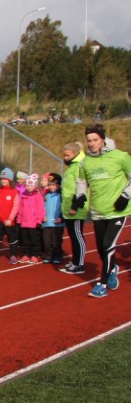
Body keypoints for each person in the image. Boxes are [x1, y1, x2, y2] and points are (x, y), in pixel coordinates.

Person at [71, 123, 131, 298]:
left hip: (117, 211)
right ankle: (112, 268)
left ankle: (102, 284)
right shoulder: (85, 162)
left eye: (95, 140)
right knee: (101, 250)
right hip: (98, 212)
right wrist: (80, 195)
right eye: (89, 140)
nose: (92, 143)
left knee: (108, 245)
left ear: (103, 139)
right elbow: (82, 182)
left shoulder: (120, 156)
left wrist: (125, 196)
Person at [59, 141, 88, 274]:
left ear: (75, 154)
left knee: (77, 235)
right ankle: (76, 261)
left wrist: (75, 206)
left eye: (68, 155)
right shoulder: (71, 167)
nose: (65, 158)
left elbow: (81, 187)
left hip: (76, 208)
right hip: (68, 207)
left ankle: (79, 264)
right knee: (73, 235)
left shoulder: (79, 166)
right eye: (64, 155)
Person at [0, 168, 21, 264]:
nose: (3, 181)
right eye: (2, 179)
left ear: (10, 180)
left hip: (9, 222)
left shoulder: (14, 192)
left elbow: (16, 206)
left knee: (12, 239)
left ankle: (13, 255)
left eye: (5, 179)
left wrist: (10, 219)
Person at [16, 173, 45, 262]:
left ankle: (34, 254)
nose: (29, 187)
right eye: (28, 185)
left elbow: (40, 209)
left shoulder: (38, 196)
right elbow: (21, 209)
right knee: (25, 240)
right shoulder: (24, 196)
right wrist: (19, 220)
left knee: (34, 240)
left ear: (35, 185)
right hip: (24, 223)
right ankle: (26, 254)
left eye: (31, 185)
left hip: (33, 223)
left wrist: (39, 220)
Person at [41, 172, 65, 264]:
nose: (51, 187)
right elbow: (42, 207)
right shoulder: (46, 196)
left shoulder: (61, 196)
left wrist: (61, 218)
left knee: (56, 241)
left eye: (54, 185)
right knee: (47, 241)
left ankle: (57, 256)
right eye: (50, 185)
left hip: (57, 223)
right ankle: (48, 255)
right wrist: (43, 216)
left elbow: (64, 208)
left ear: (58, 185)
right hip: (47, 223)